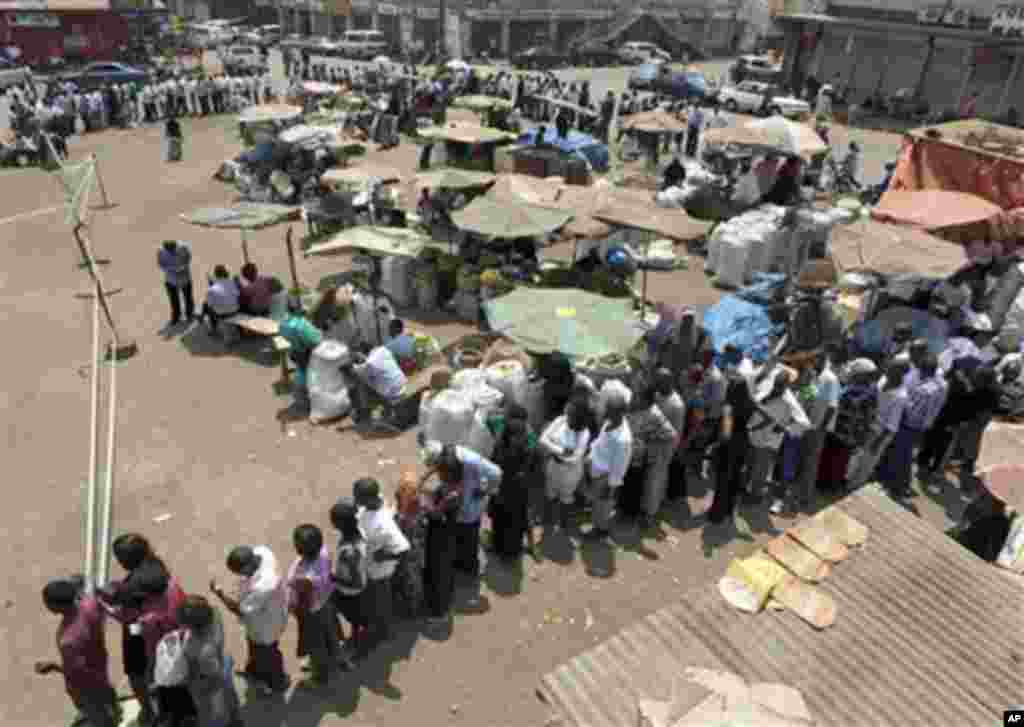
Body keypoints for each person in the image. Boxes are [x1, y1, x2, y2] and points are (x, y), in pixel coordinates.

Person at [98, 533, 189, 727]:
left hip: (144, 637)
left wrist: (104, 604)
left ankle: (149, 712)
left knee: (138, 675)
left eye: (120, 558)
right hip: (171, 633)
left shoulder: (134, 591)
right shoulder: (159, 571)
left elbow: (128, 619)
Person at [37, 576, 120, 727]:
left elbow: (76, 673)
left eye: (47, 602)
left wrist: (54, 667)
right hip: (100, 663)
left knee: (98, 716)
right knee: (107, 691)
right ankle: (115, 709)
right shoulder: (90, 605)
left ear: (56, 606)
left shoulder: (68, 640)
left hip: (86, 686)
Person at [209, 545, 290, 694]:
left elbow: (240, 610)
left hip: (265, 627)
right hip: (267, 616)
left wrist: (219, 592)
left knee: (268, 654)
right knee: (255, 649)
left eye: (239, 572)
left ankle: (278, 682)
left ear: (246, 568)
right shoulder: (263, 553)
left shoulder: (262, 586)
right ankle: (254, 672)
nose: (239, 576)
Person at [745, 368, 811, 514]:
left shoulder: (789, 400)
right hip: (755, 433)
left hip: (769, 439)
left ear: (787, 385)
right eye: (777, 383)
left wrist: (785, 428)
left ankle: (755, 496)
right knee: (752, 464)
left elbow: (805, 423)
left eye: (781, 385)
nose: (777, 387)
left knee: (760, 469)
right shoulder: (770, 388)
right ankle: (749, 490)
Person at [285, 524, 344, 681]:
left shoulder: (303, 579)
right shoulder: (324, 553)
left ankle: (321, 676)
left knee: (316, 645)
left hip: (312, 614)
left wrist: (295, 611)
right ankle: (337, 657)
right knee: (330, 634)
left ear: (299, 548)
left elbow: (302, 600)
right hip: (326, 604)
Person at [355, 478, 410, 646]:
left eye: (358, 497)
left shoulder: (383, 524)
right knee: (374, 600)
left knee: (381, 603)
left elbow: (404, 549)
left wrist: (383, 556)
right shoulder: (374, 501)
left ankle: (383, 632)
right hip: (368, 566)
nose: (356, 500)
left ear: (369, 499)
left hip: (379, 573)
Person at [176, 595, 243, 727]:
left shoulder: (199, 649)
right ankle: (235, 720)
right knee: (230, 701)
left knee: (215, 716)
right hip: (222, 663)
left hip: (211, 685)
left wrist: (189, 680)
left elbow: (213, 675)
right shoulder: (216, 614)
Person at [707, 346, 756, 523]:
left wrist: (717, 443)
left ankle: (717, 514)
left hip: (730, 444)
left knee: (723, 480)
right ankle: (728, 511)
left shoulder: (729, 406)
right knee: (735, 478)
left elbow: (726, 431)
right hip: (743, 441)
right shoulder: (748, 402)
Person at [846, 361, 909, 491]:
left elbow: (892, 425)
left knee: (868, 460)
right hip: (869, 423)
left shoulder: (901, 396)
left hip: (882, 431)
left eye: (891, 369)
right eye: (888, 368)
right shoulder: (884, 379)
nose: (887, 371)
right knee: (857, 454)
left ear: (900, 374)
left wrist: (878, 442)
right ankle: (847, 479)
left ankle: (855, 486)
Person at [489, 405, 540, 560]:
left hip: (517, 488)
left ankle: (529, 545)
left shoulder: (529, 441)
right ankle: (497, 545)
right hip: (503, 486)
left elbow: (533, 466)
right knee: (499, 517)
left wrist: (524, 474)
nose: (518, 431)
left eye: (521, 425)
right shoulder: (500, 435)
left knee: (521, 517)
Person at [586, 389, 633, 538]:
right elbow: (600, 442)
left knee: (603, 505)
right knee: (598, 502)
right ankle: (598, 524)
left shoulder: (623, 439)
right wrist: (590, 455)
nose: (606, 412)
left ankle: (600, 530)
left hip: (605, 477)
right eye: (607, 408)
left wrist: (610, 486)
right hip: (597, 470)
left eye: (610, 410)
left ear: (620, 413)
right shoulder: (609, 422)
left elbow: (620, 467)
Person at [540, 403, 592, 534]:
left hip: (570, 473)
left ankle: (563, 524)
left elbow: (575, 458)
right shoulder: (560, 420)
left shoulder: (584, 433)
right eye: (567, 412)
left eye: (570, 414)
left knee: (566, 498)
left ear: (578, 418)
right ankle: (548, 520)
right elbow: (542, 439)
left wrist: (553, 449)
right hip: (553, 465)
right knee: (549, 493)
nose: (566, 416)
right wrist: (561, 450)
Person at [795, 354, 839, 509]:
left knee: (811, 462)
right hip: (806, 423)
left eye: (815, 359)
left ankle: (805, 496)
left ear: (823, 359)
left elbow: (832, 406)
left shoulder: (831, 379)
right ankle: (797, 490)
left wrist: (821, 427)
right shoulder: (813, 375)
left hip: (818, 427)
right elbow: (807, 395)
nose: (812, 362)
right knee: (802, 456)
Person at [328, 498, 368, 650]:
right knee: (356, 619)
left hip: (350, 593)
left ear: (340, 524)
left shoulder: (349, 552)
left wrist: (333, 578)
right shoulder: (357, 533)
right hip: (350, 589)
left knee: (353, 618)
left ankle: (354, 645)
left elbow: (356, 582)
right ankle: (353, 640)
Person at [343, 343, 407, 428]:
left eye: (359, 356)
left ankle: (364, 413)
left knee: (361, 383)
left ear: (362, 353)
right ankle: (382, 409)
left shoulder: (369, 363)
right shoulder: (384, 350)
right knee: (372, 379)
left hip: (392, 393)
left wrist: (348, 366)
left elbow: (355, 371)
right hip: (402, 384)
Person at [278, 298, 323, 406]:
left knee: (302, 371)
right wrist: (319, 332)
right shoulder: (301, 324)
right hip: (308, 353)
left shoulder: (283, 323)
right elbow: (315, 340)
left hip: (295, 352)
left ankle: (302, 394)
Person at [158, 240, 195, 327]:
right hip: (170, 280)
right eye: (168, 250)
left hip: (184, 278)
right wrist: (170, 269)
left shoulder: (184, 247)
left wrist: (182, 267)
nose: (171, 251)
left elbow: (188, 258)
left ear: (175, 245)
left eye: (172, 249)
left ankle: (189, 315)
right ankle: (176, 317)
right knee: (174, 300)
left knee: (188, 298)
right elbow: (161, 264)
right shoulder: (160, 251)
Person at [201, 265, 240, 336]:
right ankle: (203, 318)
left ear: (215, 275)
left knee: (206, 306)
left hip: (223, 314)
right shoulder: (232, 283)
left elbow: (210, 305)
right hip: (235, 310)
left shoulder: (211, 290)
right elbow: (237, 295)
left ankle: (213, 328)